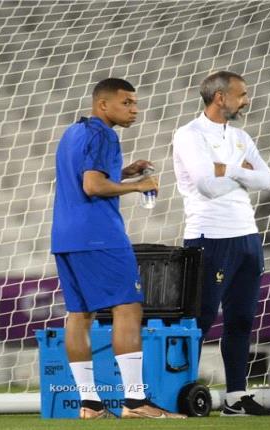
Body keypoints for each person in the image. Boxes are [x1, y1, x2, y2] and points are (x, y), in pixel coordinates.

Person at [51, 78, 186, 419]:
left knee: (80, 314)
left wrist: (124, 172)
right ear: (103, 105)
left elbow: (85, 176)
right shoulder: (103, 135)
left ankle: (90, 403)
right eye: (126, 103)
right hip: (99, 235)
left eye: (135, 103)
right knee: (128, 307)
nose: (134, 109)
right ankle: (136, 401)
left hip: (65, 236)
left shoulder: (73, 132)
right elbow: (93, 185)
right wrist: (139, 186)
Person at [172, 71, 270, 416]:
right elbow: (206, 185)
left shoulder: (240, 136)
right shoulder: (189, 135)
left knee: (242, 319)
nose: (246, 100)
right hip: (209, 237)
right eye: (241, 94)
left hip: (247, 236)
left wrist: (228, 169)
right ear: (220, 97)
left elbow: (267, 179)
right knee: (200, 320)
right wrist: (242, 173)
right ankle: (179, 395)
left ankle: (236, 397)